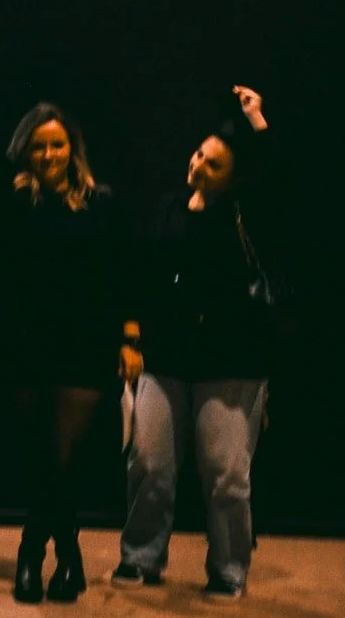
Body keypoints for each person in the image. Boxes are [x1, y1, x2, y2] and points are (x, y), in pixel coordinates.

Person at [117, 85, 276, 601]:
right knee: (150, 463)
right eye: (198, 155)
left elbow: (277, 179)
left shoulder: (244, 212)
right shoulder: (167, 210)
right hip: (165, 357)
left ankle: (229, 567)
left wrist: (255, 121)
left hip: (231, 361)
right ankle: (141, 557)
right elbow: (139, 274)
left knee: (227, 475)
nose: (198, 166)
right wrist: (132, 337)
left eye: (213, 165)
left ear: (233, 177)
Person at [0, 92, 124, 605]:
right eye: (39, 147)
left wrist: (129, 338)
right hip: (24, 346)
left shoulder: (99, 202)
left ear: (72, 149)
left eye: (57, 145)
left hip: (84, 345)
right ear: (26, 151)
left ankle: (31, 553)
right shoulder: (15, 199)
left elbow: (121, 276)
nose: (49, 155)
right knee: (41, 456)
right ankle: (70, 558)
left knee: (59, 457)